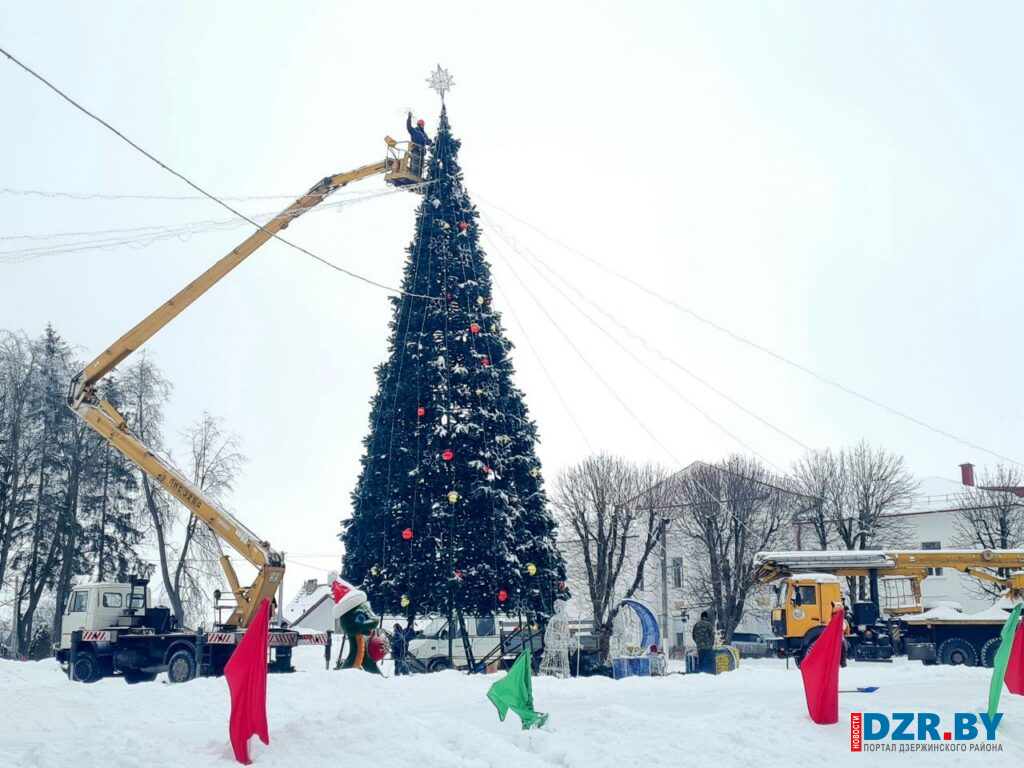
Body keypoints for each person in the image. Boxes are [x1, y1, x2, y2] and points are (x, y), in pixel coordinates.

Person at [407, 112, 432, 177]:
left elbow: (428, 142)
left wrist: (431, 142)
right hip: (416, 150)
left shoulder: (424, 134)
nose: (422, 126)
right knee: (415, 165)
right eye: (421, 125)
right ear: (419, 124)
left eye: (423, 125)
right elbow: (408, 127)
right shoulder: (414, 131)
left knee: (420, 166)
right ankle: (413, 177)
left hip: (422, 152)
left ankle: (418, 178)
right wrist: (409, 118)